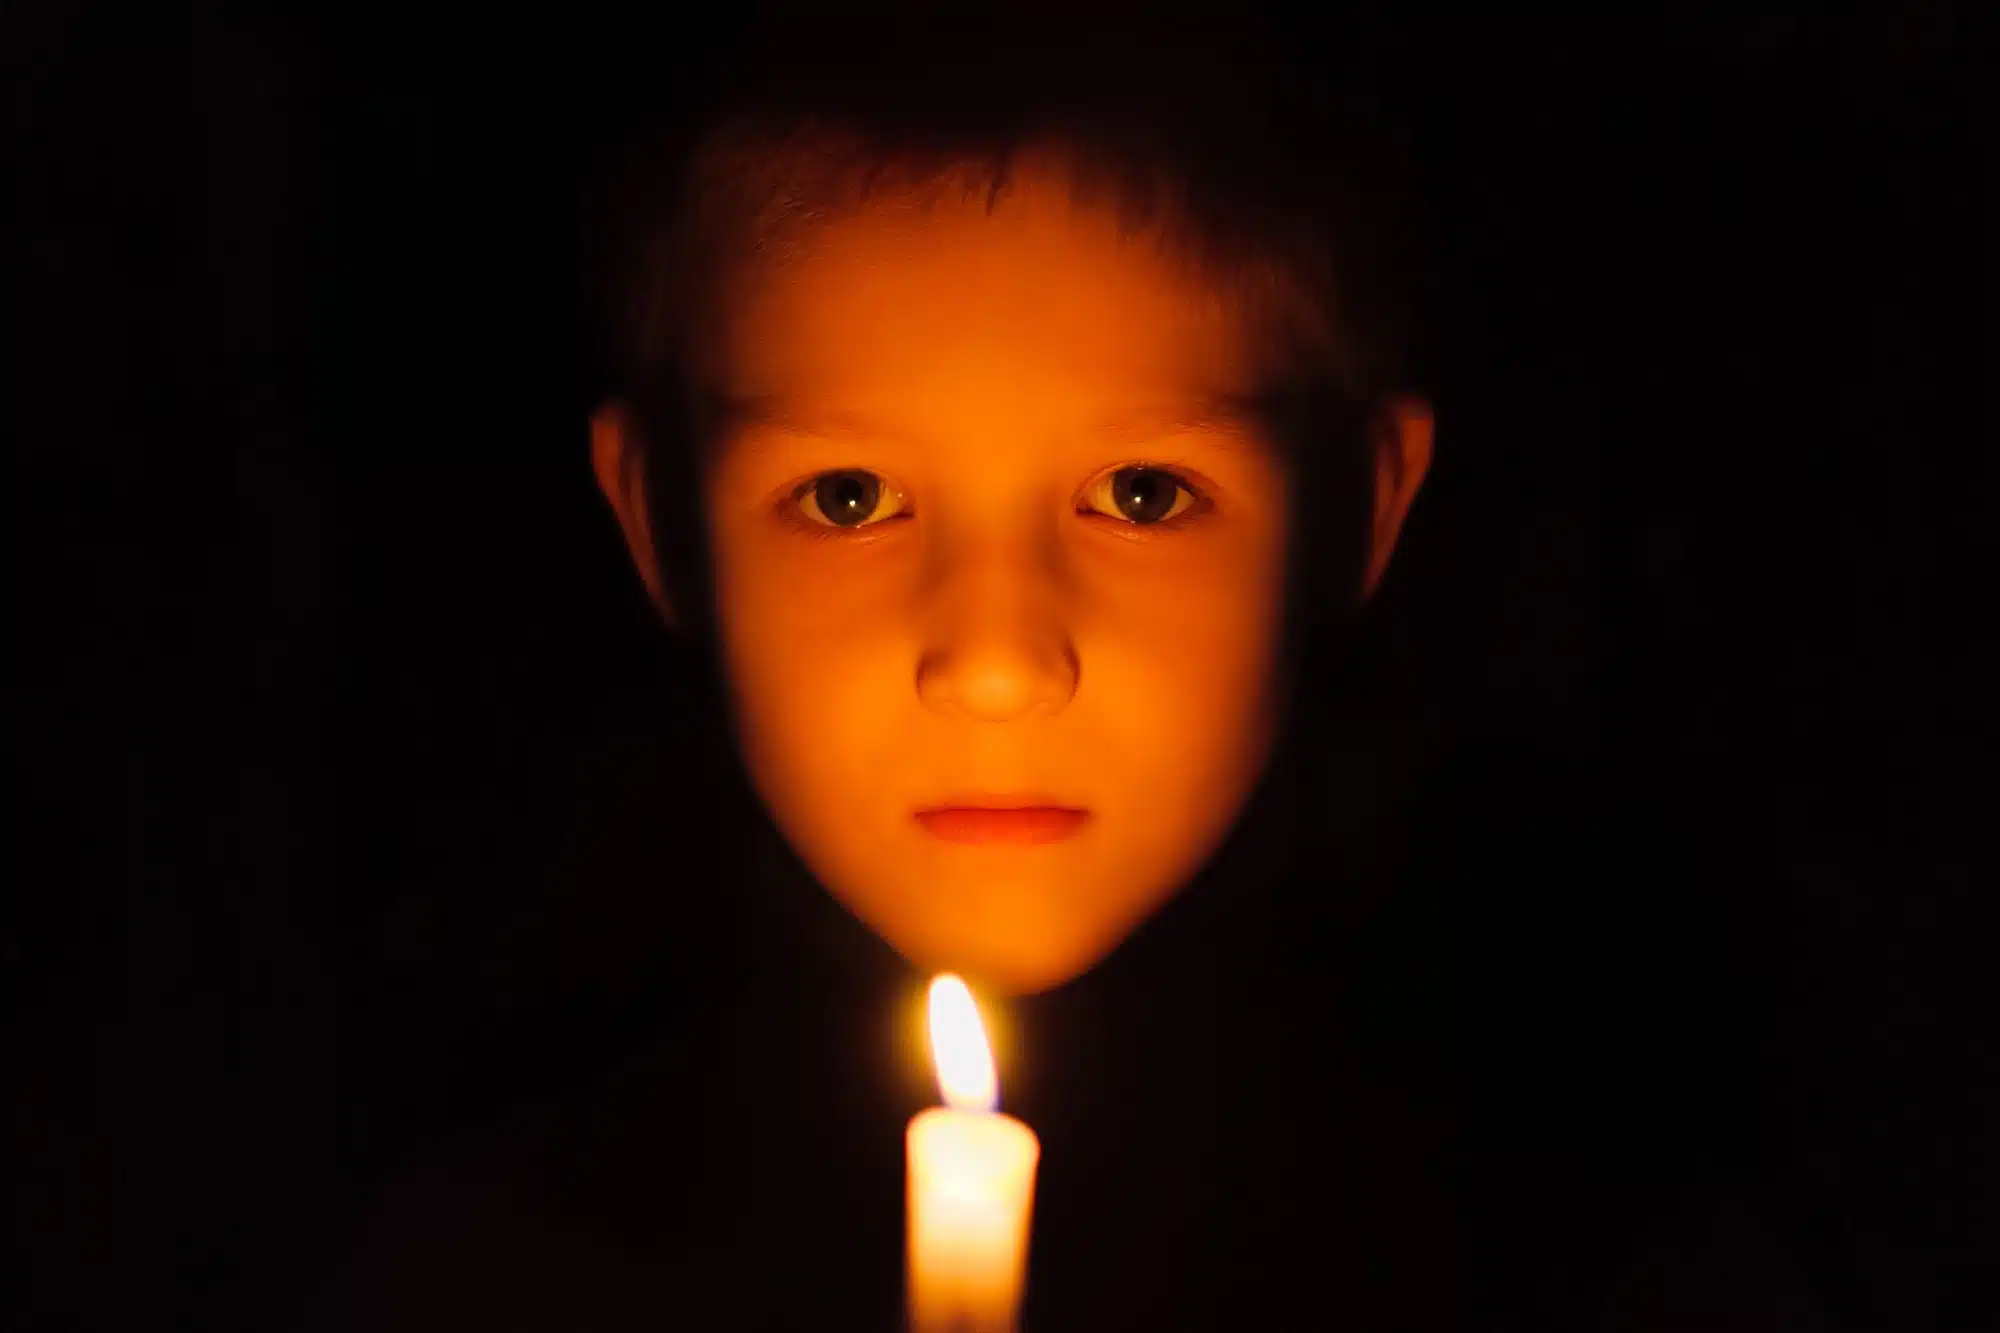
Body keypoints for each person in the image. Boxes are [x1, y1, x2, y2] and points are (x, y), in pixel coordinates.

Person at [304, 12, 1828, 1330]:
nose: (994, 667)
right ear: (655, 522)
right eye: (847, 498)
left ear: (1363, 505)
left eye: (1144, 495)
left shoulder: (1604, 1264)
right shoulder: (476, 1277)